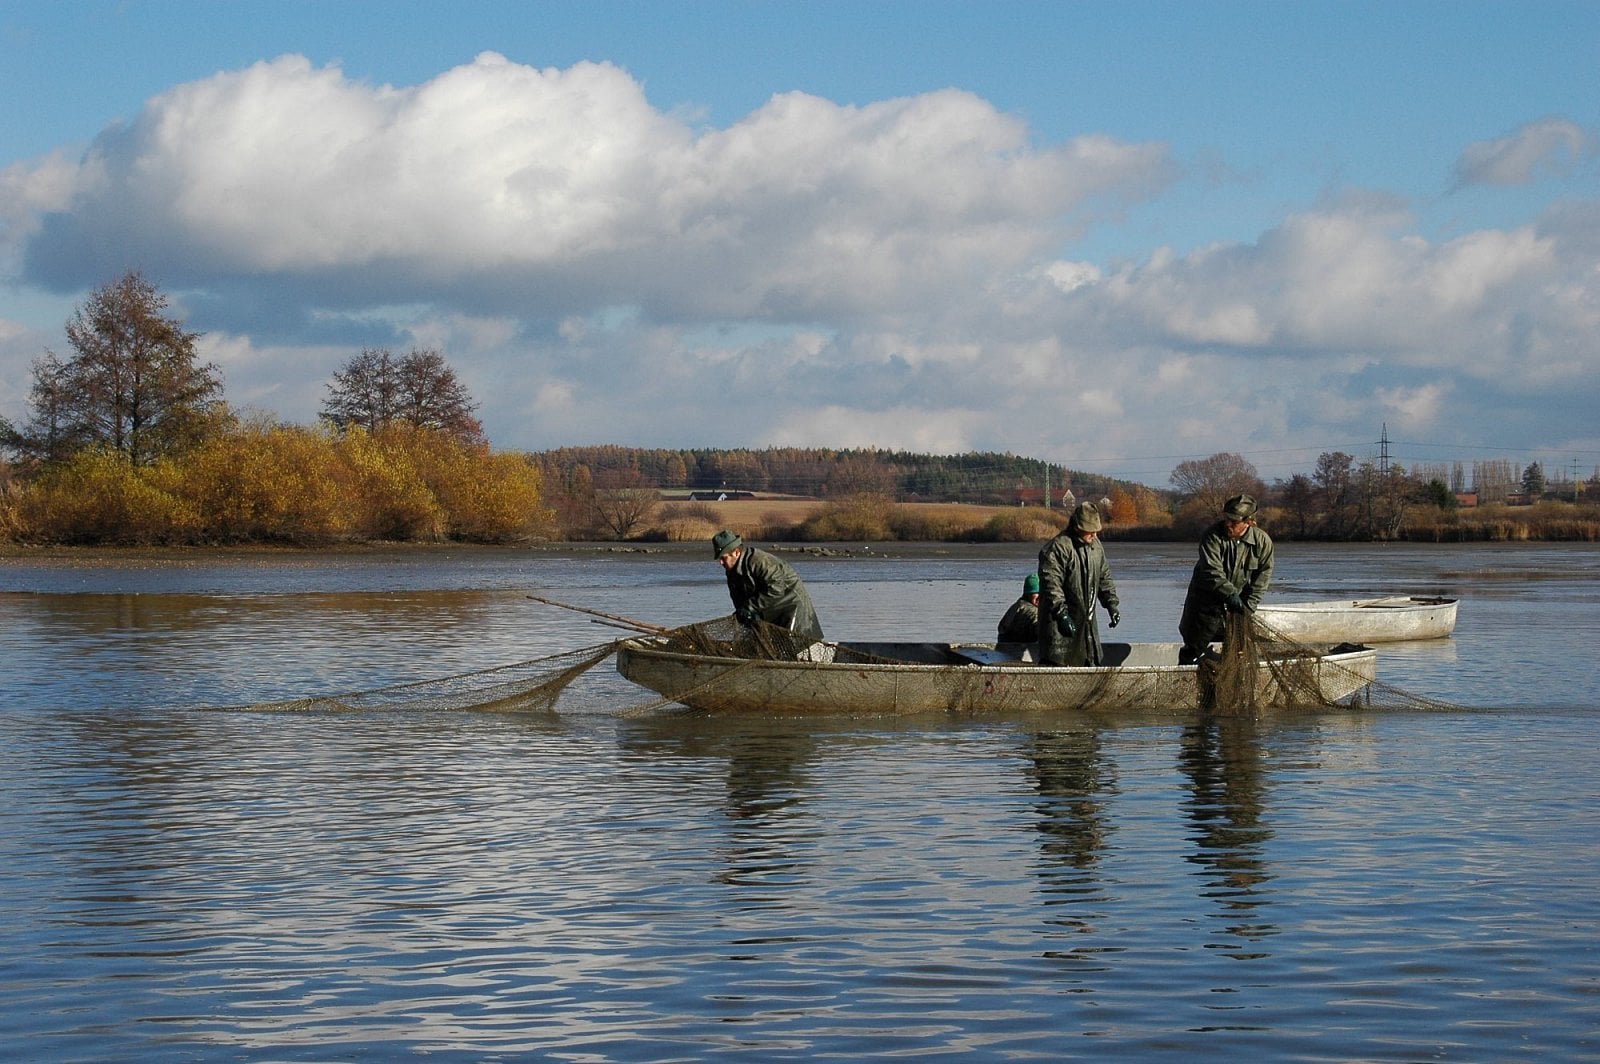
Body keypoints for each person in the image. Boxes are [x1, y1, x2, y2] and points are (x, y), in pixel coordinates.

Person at [1178, 493, 1275, 665]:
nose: (1228, 524)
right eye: (1227, 518)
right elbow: (1211, 571)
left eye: (1234, 521)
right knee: (1194, 648)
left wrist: (1248, 606)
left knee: (1238, 651)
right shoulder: (1212, 536)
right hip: (1204, 605)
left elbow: (1262, 578)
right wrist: (1230, 594)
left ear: (1249, 522)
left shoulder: (1262, 542)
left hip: (1236, 608)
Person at [1037, 502, 1121, 667]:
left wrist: (1112, 604)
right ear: (1077, 527)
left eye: (1096, 530)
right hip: (1058, 628)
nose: (1094, 535)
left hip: (1088, 627)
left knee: (1090, 664)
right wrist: (1062, 614)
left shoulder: (1096, 547)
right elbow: (1051, 585)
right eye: (1090, 531)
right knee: (1058, 666)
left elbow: (1104, 578)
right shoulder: (1057, 548)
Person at [711, 529, 824, 640]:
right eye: (719, 559)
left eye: (723, 558)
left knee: (795, 644)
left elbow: (775, 589)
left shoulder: (760, 561)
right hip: (770, 611)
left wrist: (750, 608)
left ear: (736, 552)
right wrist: (743, 613)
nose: (721, 562)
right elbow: (739, 600)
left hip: (792, 607)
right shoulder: (731, 572)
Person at [997, 573, 1041, 644]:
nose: (1040, 597)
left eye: (1042, 593)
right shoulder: (1030, 610)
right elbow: (1040, 629)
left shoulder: (1019, 604)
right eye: (1036, 593)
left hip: (1006, 644)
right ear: (1027, 594)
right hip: (1014, 648)